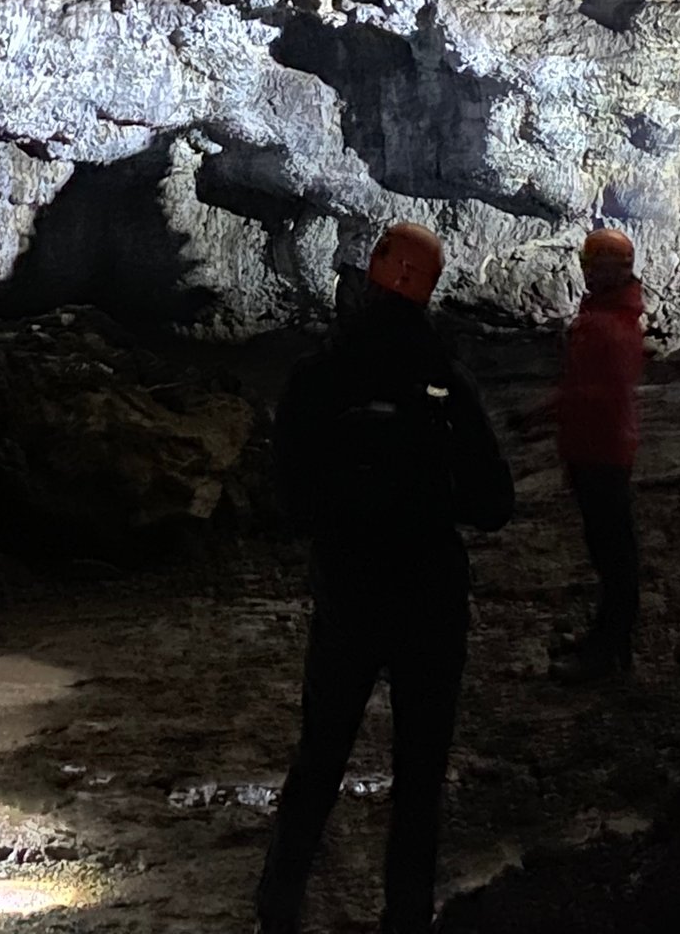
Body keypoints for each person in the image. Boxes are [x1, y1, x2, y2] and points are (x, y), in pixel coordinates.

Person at [257, 221, 515, 934]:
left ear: (372, 274)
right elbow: (495, 502)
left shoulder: (320, 375)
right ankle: (406, 916)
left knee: (320, 757)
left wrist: (347, 516)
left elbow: (291, 501)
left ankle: (277, 908)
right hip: (430, 594)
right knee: (420, 771)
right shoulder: (444, 377)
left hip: (349, 592)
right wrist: (430, 500)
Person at [549, 228, 647, 685]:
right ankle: (606, 642)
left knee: (613, 554)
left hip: (600, 450)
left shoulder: (608, 327)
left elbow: (597, 395)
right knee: (609, 551)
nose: (586, 269)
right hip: (597, 447)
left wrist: (560, 414)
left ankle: (609, 653)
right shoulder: (612, 319)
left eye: (593, 262)